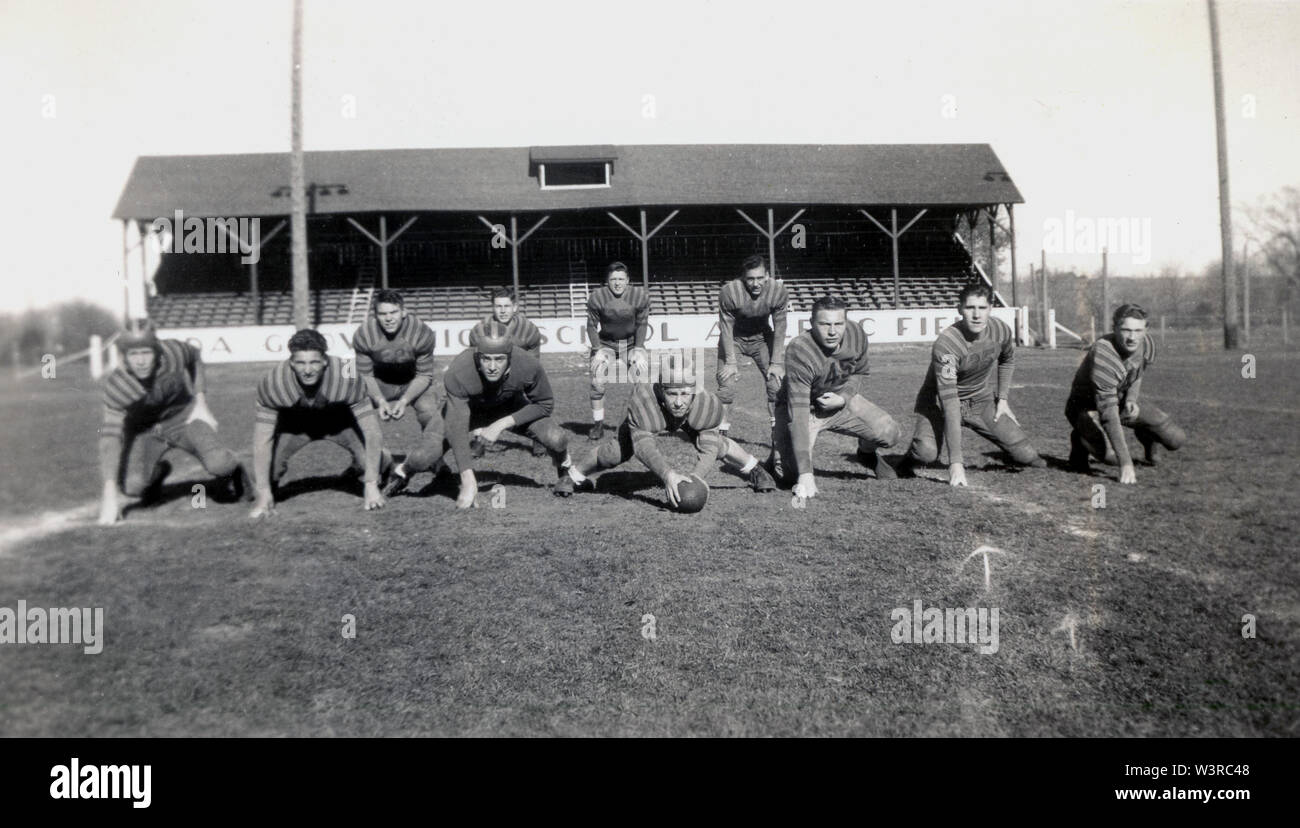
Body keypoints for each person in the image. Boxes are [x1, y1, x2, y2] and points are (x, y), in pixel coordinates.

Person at [383, 321, 575, 507]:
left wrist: (501, 424)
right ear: (476, 356)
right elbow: (457, 428)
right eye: (486, 358)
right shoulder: (459, 371)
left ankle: (564, 468)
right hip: (468, 410)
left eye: (499, 359)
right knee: (423, 457)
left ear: (510, 356)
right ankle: (403, 471)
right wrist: (468, 479)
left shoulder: (527, 364)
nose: (492, 366)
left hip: (508, 407)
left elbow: (545, 404)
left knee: (557, 438)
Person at [564, 351, 777, 506]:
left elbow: (711, 447)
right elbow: (643, 448)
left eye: (684, 393)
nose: (678, 402)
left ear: (694, 391)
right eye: (672, 393)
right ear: (660, 389)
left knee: (718, 445)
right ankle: (573, 476)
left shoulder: (706, 404)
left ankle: (755, 469)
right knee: (616, 451)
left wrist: (696, 477)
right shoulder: (644, 401)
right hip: (652, 414)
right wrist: (668, 475)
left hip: (691, 415)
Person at [97, 319, 250, 525]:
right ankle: (157, 474)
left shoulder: (173, 352)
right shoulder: (119, 385)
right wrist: (109, 494)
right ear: (123, 356)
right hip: (145, 432)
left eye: (146, 353)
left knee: (220, 464)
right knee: (132, 487)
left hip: (184, 418)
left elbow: (195, 356)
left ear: (157, 350)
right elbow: (110, 438)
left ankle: (237, 469)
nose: (141, 361)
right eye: (134, 354)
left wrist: (201, 401)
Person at [899, 282, 1044, 486]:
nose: (977, 315)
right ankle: (907, 459)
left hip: (979, 401)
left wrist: (1002, 400)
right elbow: (950, 403)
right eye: (970, 308)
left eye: (982, 308)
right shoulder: (948, 344)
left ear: (990, 309)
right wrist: (956, 463)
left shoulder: (1001, 330)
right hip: (939, 404)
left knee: (1027, 456)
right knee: (926, 453)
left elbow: (1007, 359)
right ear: (960, 309)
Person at [249, 329, 390, 517]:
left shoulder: (347, 374)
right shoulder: (274, 383)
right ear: (291, 363)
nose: (307, 370)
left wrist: (371, 484)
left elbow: (372, 432)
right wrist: (263, 491)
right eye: (300, 363)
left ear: (325, 360)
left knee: (376, 463)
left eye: (314, 362)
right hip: (295, 426)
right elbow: (262, 440)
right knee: (268, 474)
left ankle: (366, 464)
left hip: (339, 422)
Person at [770, 295, 901, 498]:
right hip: (805, 408)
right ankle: (778, 451)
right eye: (824, 324)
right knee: (790, 475)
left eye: (838, 324)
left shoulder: (856, 334)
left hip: (840, 401)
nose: (832, 331)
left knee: (889, 432)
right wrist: (805, 474)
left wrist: (843, 398)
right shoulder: (800, 349)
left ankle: (866, 455)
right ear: (811, 323)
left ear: (846, 322)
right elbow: (798, 414)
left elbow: (859, 372)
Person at [1065, 303, 1185, 484]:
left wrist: (1131, 399)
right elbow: (1108, 414)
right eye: (1126, 330)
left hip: (1119, 400)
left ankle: (1147, 441)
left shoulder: (1147, 344)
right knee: (1110, 457)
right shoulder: (1104, 353)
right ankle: (1080, 439)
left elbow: (1137, 374)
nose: (1132, 337)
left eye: (1138, 330)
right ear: (1114, 329)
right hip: (1086, 407)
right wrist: (1126, 463)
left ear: (1146, 329)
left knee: (1176, 439)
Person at [350, 289, 444, 475]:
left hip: (412, 380)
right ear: (375, 315)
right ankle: (363, 458)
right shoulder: (364, 335)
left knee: (429, 412)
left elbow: (424, 375)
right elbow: (366, 375)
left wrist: (404, 400)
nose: (389, 318)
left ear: (403, 312)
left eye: (393, 312)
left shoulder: (421, 332)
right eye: (383, 314)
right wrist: (380, 400)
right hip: (381, 381)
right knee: (354, 407)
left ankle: (435, 459)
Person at [715, 254, 789, 437]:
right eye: (750, 279)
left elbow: (780, 327)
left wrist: (777, 362)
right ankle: (720, 435)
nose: (756, 284)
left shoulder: (778, 291)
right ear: (742, 278)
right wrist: (731, 362)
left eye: (760, 278)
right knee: (727, 385)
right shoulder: (729, 292)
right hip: (735, 338)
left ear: (767, 275)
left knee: (776, 383)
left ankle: (777, 432)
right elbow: (726, 327)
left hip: (762, 338)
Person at [469, 287, 546, 456]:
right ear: (492, 307)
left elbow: (533, 364)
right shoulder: (480, 330)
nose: (503, 311)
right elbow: (475, 362)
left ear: (515, 307)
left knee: (533, 398)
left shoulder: (529, 330)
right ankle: (479, 439)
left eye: (506, 306)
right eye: (498, 306)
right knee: (478, 398)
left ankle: (539, 438)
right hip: (491, 374)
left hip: (518, 375)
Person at [586, 261, 651, 441]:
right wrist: (597, 349)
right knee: (597, 381)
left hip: (630, 344)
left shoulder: (639, 296)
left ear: (628, 280)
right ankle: (598, 425)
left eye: (621, 279)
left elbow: (642, 324)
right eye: (613, 279)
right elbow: (591, 326)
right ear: (607, 281)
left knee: (642, 380)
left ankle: (641, 422)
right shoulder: (597, 297)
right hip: (606, 343)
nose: (617, 283)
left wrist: (638, 348)